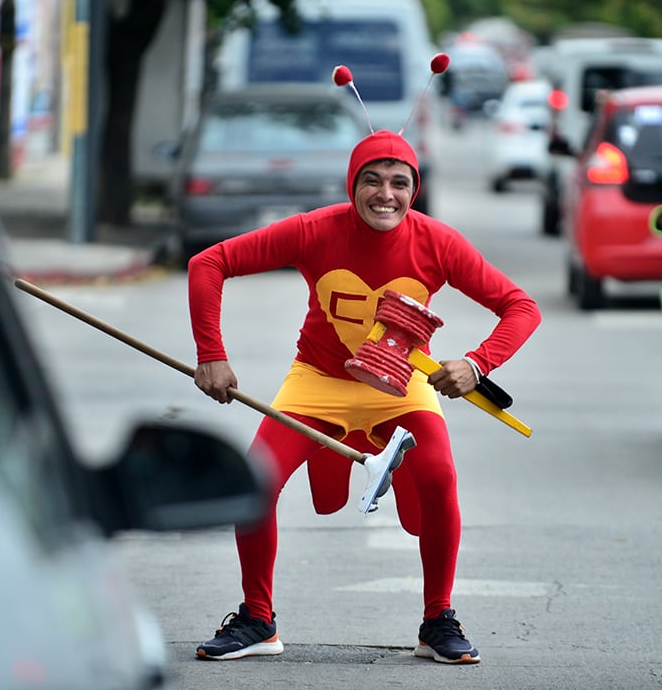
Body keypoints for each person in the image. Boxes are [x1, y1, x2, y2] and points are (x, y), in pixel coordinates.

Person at [186, 93, 541, 664]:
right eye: (371, 180)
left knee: (440, 478)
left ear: (414, 190)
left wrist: (477, 363)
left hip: (402, 386)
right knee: (255, 480)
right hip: (317, 379)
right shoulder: (314, 230)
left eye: (399, 182)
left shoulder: (437, 242)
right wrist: (211, 353)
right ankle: (257, 620)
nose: (386, 194)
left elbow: (521, 306)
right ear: (352, 186)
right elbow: (209, 263)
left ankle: (437, 620)